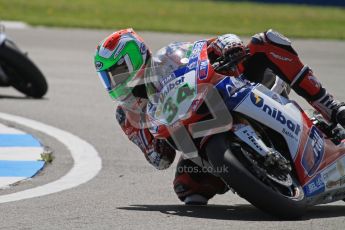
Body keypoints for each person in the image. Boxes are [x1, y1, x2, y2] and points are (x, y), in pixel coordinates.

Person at [94, 28, 345, 205]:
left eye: (116, 72)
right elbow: (161, 159)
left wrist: (227, 46)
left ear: (134, 58)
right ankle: (254, 174)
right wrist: (147, 134)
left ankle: (330, 107)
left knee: (266, 42)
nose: (113, 82)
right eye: (108, 78)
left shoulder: (167, 57)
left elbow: (209, 45)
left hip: (225, 92)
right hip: (196, 135)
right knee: (188, 188)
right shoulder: (127, 114)